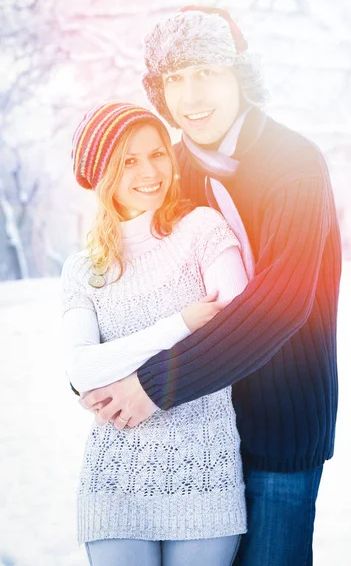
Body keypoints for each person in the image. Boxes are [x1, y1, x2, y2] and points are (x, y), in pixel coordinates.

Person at [79, 7, 342, 565]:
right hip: (194, 435)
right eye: (174, 78)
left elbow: (282, 302)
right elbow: (131, 279)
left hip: (278, 425)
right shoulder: (168, 170)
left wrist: (149, 385)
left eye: (205, 71)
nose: (191, 94)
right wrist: (94, 369)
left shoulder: (293, 163)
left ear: (238, 76)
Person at [62, 102, 249, 565]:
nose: (150, 171)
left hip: (204, 469)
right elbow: (81, 368)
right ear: (101, 174)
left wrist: (125, 366)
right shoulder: (84, 269)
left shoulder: (202, 230)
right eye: (128, 161)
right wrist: (181, 324)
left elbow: (240, 329)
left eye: (157, 153)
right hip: (115, 478)